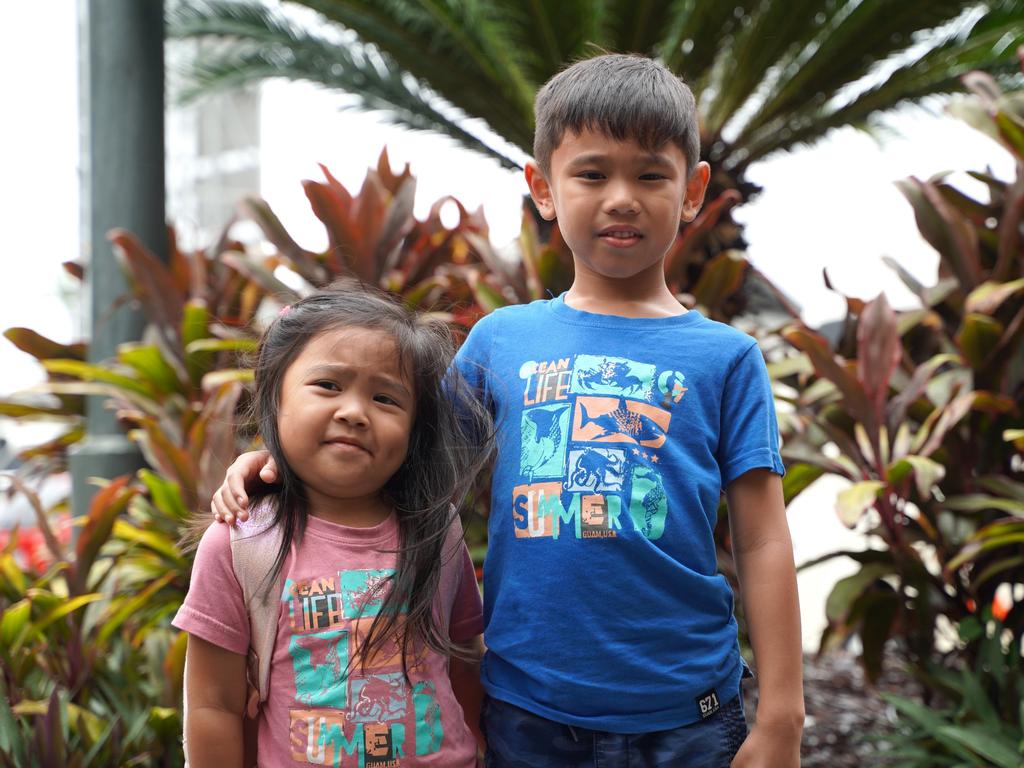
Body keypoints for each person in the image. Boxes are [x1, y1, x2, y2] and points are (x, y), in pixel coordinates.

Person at [212, 54, 804, 767]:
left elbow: (764, 540)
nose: (621, 197)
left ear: (693, 191)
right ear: (543, 188)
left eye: (650, 174)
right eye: (591, 173)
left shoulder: (727, 359)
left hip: (688, 718)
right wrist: (283, 460)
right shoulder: (502, 341)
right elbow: (411, 461)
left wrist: (782, 719)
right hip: (528, 715)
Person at [175, 282, 493, 767]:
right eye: (328, 385)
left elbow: (464, 659)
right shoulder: (240, 542)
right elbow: (211, 705)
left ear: (415, 430)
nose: (354, 413)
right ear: (273, 396)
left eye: (386, 398)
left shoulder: (436, 529)